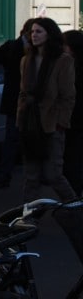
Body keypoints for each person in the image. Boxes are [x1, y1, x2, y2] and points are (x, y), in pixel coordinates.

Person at [17, 17, 77, 203]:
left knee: (53, 174)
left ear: (49, 34)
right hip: (29, 121)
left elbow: (68, 96)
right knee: (31, 175)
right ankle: (29, 217)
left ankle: (74, 207)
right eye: (32, 32)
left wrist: (60, 122)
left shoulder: (62, 60)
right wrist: (20, 115)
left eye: (39, 31)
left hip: (52, 124)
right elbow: (22, 92)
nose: (34, 35)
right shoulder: (26, 60)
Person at [0, 18, 34, 188]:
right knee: (12, 138)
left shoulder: (41, 49)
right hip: (15, 100)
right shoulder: (13, 46)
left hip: (34, 101)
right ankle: (5, 174)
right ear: (26, 31)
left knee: (26, 138)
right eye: (33, 31)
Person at [63, 29, 83, 195]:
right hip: (72, 123)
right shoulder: (69, 66)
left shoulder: (73, 68)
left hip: (74, 123)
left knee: (73, 165)